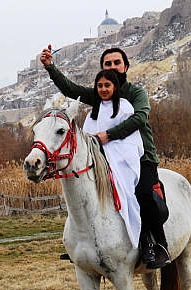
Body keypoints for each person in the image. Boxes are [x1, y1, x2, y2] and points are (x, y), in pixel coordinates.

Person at [40, 45, 170, 269]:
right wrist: (50, 67)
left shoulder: (136, 93)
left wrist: (109, 135)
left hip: (141, 157)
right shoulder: (102, 92)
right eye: (108, 64)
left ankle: (157, 244)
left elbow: (140, 118)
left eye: (117, 63)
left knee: (141, 193)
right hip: (107, 158)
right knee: (87, 192)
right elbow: (71, 89)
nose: (113, 67)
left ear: (125, 66)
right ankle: (83, 244)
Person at [83, 70, 143, 250]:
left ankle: (140, 238)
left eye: (107, 85)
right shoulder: (93, 113)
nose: (103, 89)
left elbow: (131, 139)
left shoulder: (125, 108)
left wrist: (108, 146)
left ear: (115, 87)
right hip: (98, 159)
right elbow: (87, 139)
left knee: (129, 194)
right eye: (99, 86)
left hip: (121, 159)